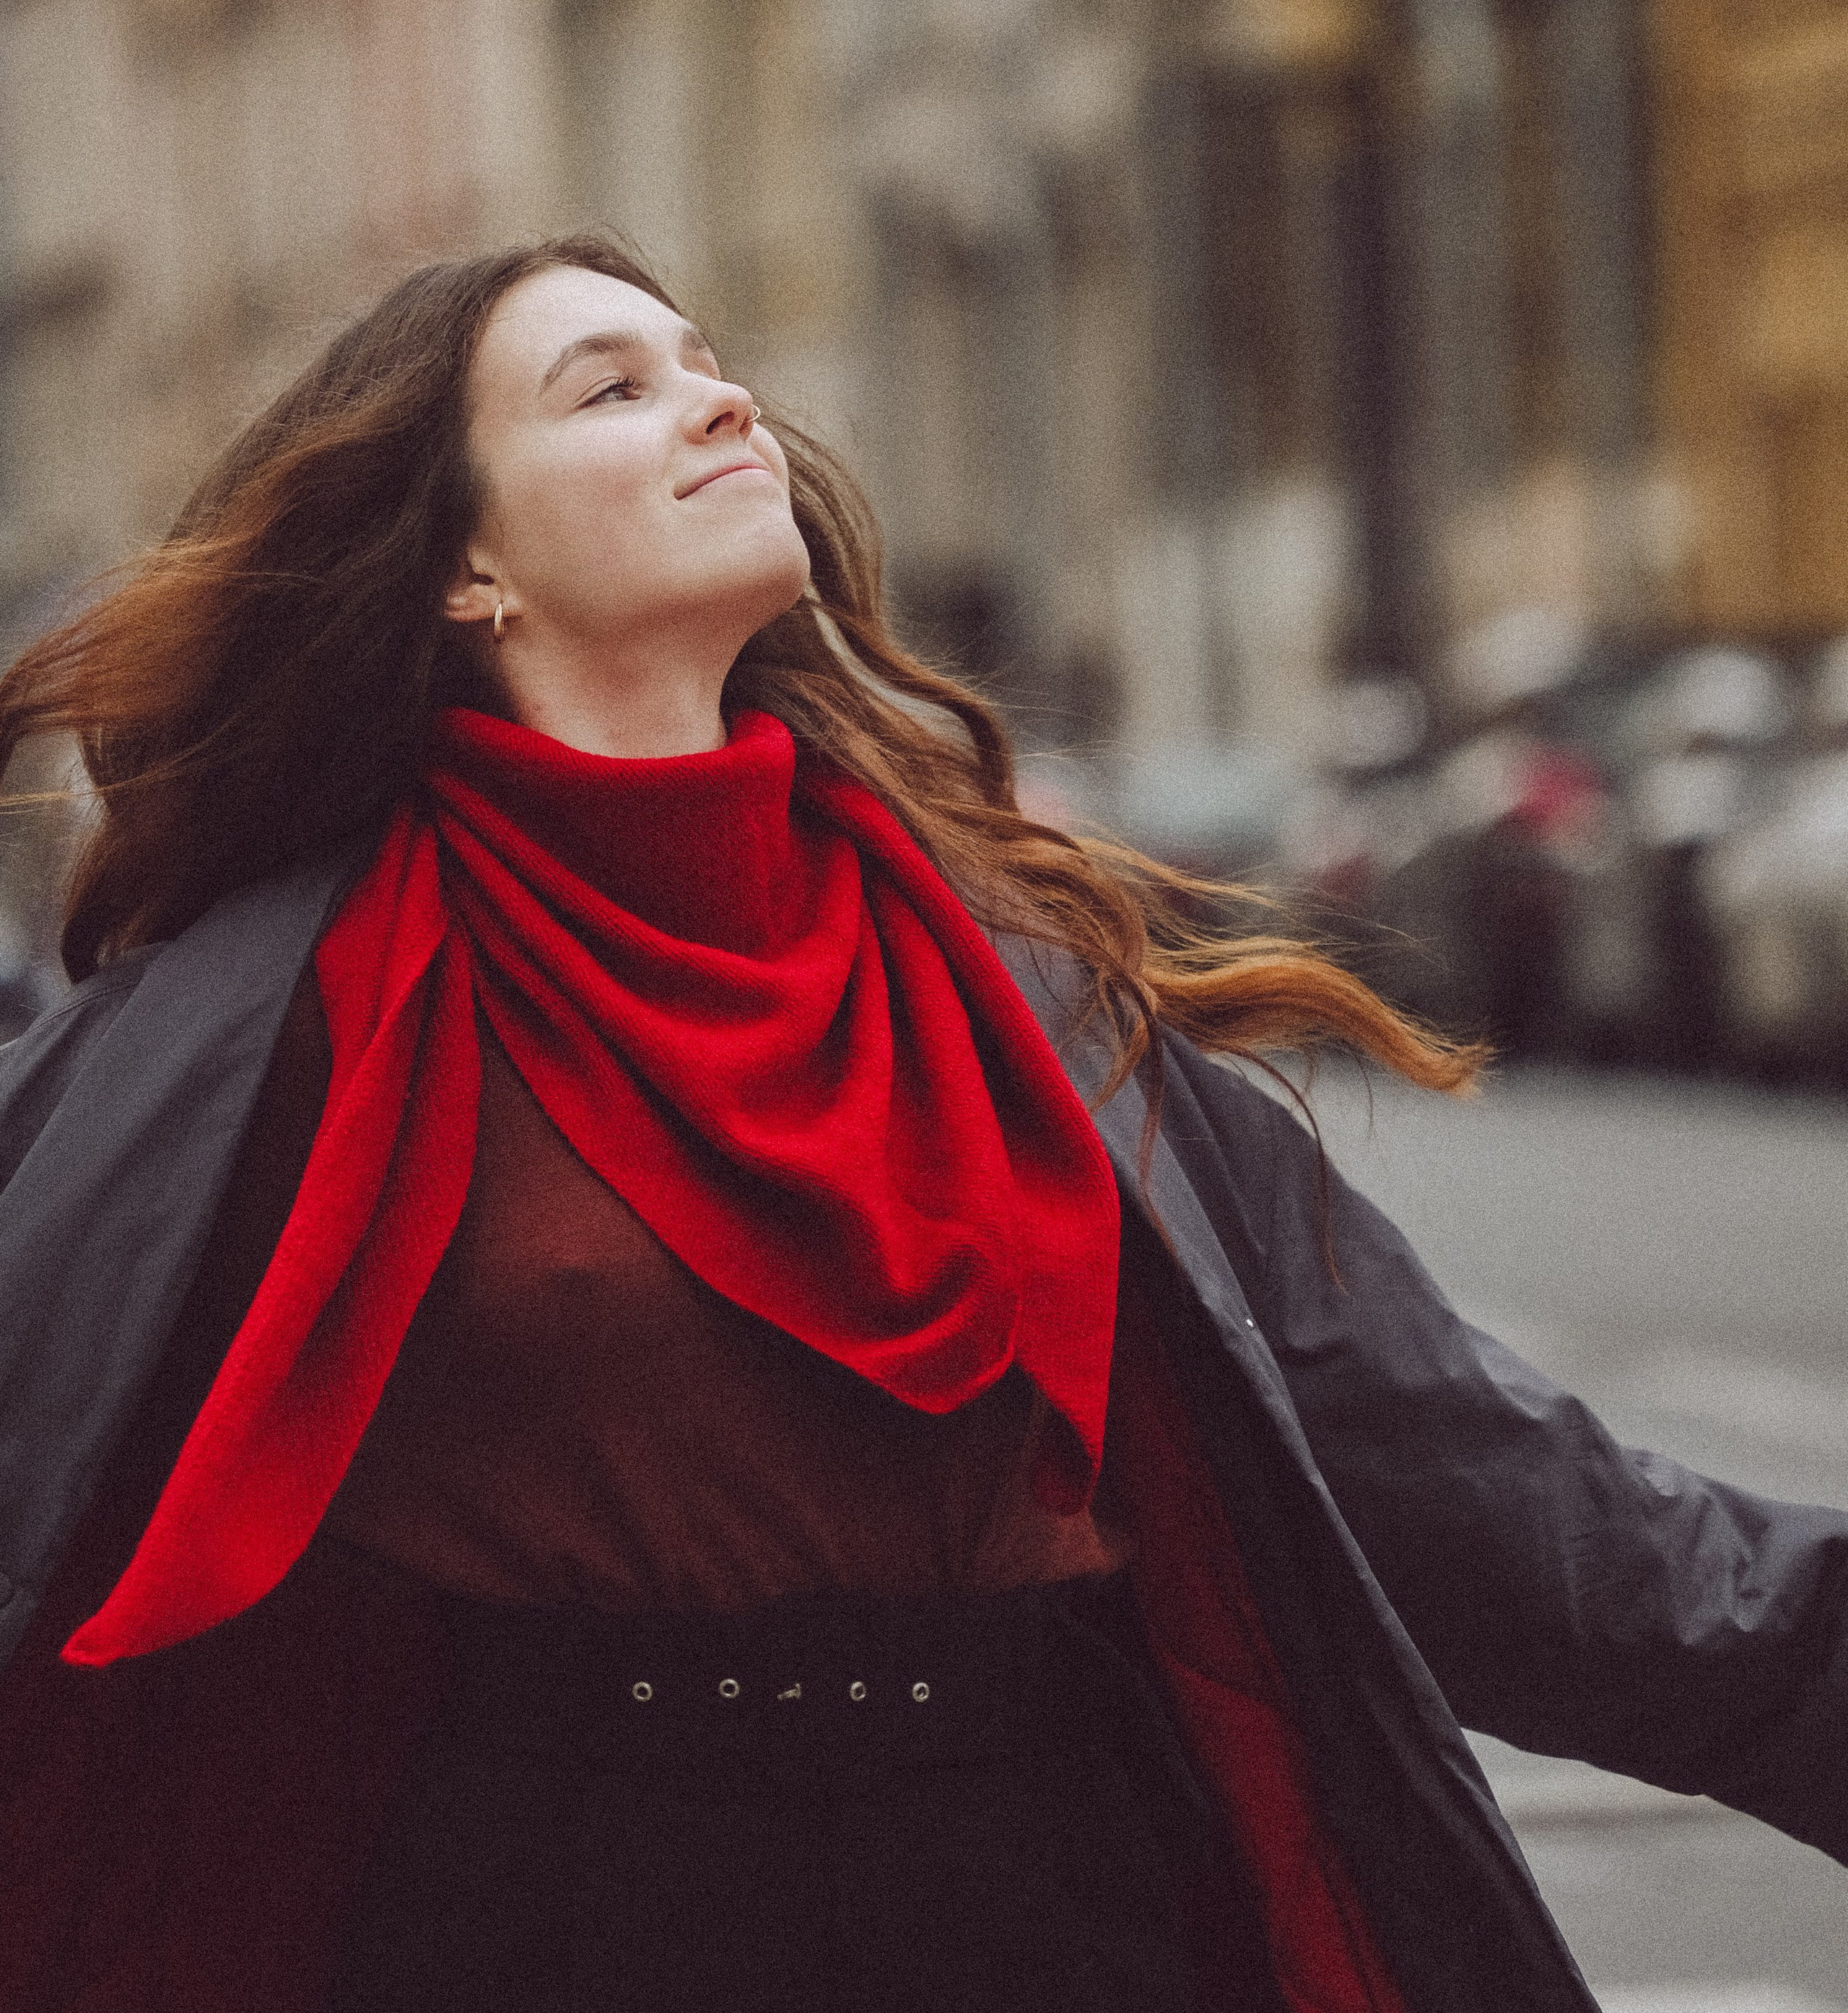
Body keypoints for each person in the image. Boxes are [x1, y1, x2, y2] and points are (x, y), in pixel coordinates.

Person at [0, 233, 1843, 2013]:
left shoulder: (1012, 984)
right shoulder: (274, 1024)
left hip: (1060, 1892)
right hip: (554, 1907)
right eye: (610, 389)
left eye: (708, 360)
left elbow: (1451, 1466)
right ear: (463, 567)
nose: (721, 401)